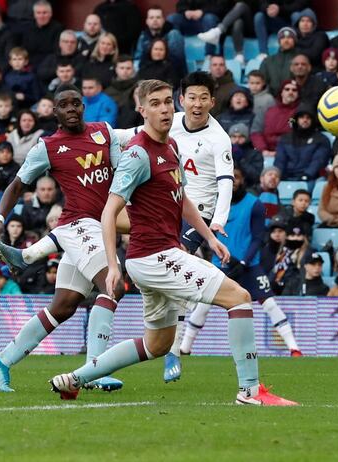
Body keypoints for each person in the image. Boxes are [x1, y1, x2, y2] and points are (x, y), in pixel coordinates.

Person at [49, 79, 296, 406]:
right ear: (142, 110)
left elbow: (182, 200)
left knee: (157, 345)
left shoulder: (171, 147)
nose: (165, 109)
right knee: (239, 298)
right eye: (155, 103)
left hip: (155, 257)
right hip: (153, 256)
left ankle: (74, 379)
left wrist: (210, 237)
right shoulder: (137, 154)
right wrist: (111, 265)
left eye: (168, 102)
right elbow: (109, 212)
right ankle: (250, 391)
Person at [0, 83, 126, 394]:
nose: (72, 108)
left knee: (63, 306)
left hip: (96, 226)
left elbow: (124, 162)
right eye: (64, 105)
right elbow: (16, 186)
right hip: (77, 225)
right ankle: (95, 369)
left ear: (83, 107)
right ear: (56, 112)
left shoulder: (104, 132)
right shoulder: (48, 147)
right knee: (113, 286)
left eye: (76, 103)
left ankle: (0, 363)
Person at [113, 71, 235, 383]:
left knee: (176, 261)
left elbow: (226, 184)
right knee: (107, 218)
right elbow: (128, 134)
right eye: (191, 97)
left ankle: (173, 352)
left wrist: (218, 221)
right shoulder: (170, 121)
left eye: (203, 98)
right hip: (166, 208)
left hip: (200, 214)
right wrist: (96, 135)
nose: (197, 104)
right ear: (182, 100)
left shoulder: (219, 139)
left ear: (212, 101)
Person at [179, 166, 302, 358]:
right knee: (203, 305)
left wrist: (244, 262)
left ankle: (294, 349)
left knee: (269, 303)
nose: (233, 181)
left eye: (236, 177)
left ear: (243, 180)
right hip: (221, 264)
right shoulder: (215, 204)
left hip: (249, 265)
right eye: (230, 178)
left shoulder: (255, 204)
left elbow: (258, 237)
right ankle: (185, 348)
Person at [274, 102, 330, 184]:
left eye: (308, 118)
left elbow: (318, 161)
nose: (305, 120)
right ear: (296, 120)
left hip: (310, 178)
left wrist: (307, 175)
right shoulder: (285, 138)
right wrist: (279, 175)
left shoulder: (321, 139)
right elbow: (280, 161)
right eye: (302, 117)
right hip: (286, 177)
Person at [252, 79, 299, 158]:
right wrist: (263, 150)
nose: (290, 92)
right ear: (281, 92)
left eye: (294, 90)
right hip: (266, 153)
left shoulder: (300, 112)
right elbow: (256, 132)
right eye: (287, 89)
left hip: (290, 154)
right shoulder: (267, 109)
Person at [134, 5, 186, 72]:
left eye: (158, 17)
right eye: (151, 17)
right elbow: (138, 58)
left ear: (163, 20)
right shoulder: (143, 36)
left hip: (171, 74)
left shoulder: (173, 35)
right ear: (147, 21)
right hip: (149, 74)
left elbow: (177, 62)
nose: (155, 20)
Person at [15, 0, 63, 70]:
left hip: (47, 67)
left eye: (45, 13)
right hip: (29, 66)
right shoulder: (27, 28)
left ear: (51, 14)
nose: (41, 16)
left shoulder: (58, 28)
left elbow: (55, 53)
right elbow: (23, 50)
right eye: (38, 13)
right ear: (34, 15)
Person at [259, 27, 298, 96]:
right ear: (279, 41)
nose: (286, 40)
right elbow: (262, 81)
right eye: (283, 38)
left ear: (294, 40)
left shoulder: (300, 60)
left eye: (289, 38)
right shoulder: (268, 61)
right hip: (272, 98)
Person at [317, 153, 338, 229]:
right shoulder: (327, 187)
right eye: (336, 167)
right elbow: (321, 210)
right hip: (330, 223)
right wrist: (331, 219)